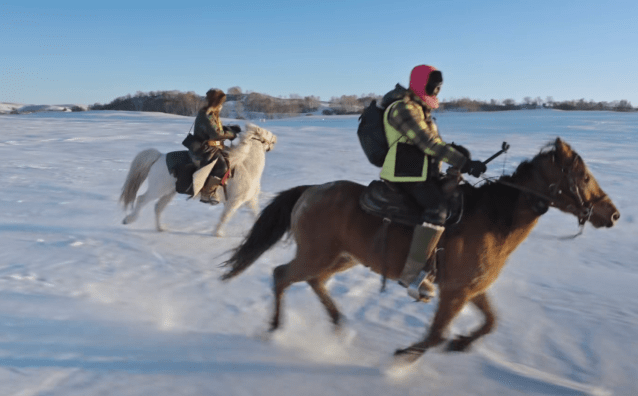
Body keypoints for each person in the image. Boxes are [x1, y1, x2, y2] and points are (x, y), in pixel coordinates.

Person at [379, 65, 486, 301]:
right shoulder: (402, 109)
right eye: (434, 87)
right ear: (421, 84)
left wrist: (460, 156)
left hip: (424, 173)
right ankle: (411, 274)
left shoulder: (420, 108)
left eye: (439, 87)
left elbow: (435, 144)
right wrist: (465, 163)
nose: (437, 91)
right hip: (403, 175)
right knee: (436, 208)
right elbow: (427, 144)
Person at [182, 88, 239, 204]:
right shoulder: (207, 115)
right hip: (204, 148)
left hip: (213, 146)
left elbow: (217, 129)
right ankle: (207, 193)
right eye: (221, 103)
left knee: (234, 156)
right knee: (222, 167)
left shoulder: (212, 114)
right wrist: (231, 134)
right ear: (216, 103)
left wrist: (230, 129)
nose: (222, 106)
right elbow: (216, 134)